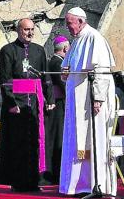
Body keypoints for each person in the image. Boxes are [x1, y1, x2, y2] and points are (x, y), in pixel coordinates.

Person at [59, 7, 117, 196]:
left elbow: (102, 70)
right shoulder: (76, 41)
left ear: (81, 22)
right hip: (77, 101)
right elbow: (67, 67)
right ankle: (77, 185)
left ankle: (95, 184)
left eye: (70, 23)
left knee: (94, 140)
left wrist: (98, 98)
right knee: (76, 141)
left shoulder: (94, 38)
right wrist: (65, 71)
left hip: (91, 101)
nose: (68, 27)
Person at [0, 18, 54, 192]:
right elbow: (5, 80)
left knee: (35, 141)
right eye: (26, 30)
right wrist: (11, 103)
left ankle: (35, 180)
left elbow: (46, 77)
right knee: (18, 142)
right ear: (18, 30)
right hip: (17, 103)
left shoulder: (39, 50)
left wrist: (49, 99)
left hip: (35, 103)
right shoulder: (8, 50)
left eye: (32, 29)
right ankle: (18, 182)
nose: (30, 33)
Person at [44, 35, 69, 184]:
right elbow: (64, 84)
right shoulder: (57, 63)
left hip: (58, 105)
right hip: (58, 106)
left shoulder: (54, 61)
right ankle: (54, 173)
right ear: (65, 48)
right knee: (56, 139)